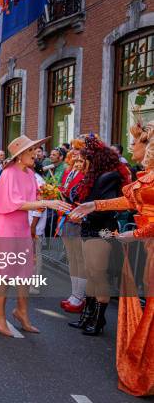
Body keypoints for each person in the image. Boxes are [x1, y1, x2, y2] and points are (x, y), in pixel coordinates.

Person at [71, 121, 154, 397]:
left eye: (135, 143)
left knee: (99, 275)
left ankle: (97, 320)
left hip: (109, 232)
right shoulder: (145, 176)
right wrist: (92, 204)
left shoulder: (114, 176)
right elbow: (129, 202)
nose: (130, 148)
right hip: (136, 242)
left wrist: (134, 234)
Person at [0, 136, 71, 337]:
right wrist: (47, 204)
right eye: (31, 150)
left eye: (36, 149)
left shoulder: (31, 173)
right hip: (6, 226)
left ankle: (21, 312)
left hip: (21, 226)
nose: (36, 153)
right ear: (19, 156)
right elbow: (16, 203)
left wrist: (48, 198)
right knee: (6, 272)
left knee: (25, 270)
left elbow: (32, 200)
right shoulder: (9, 173)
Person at [67, 135, 131, 336]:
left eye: (83, 159)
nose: (80, 162)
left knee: (97, 274)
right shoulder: (93, 177)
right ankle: (89, 314)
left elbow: (108, 208)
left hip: (103, 229)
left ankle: (99, 317)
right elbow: (78, 197)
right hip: (92, 228)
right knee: (91, 272)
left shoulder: (108, 177)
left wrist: (84, 216)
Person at [59, 141, 87, 313]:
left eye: (79, 149)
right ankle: (74, 293)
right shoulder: (70, 170)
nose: (74, 152)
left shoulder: (87, 173)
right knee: (72, 257)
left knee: (79, 257)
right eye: (74, 149)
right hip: (67, 217)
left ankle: (80, 296)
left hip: (78, 219)